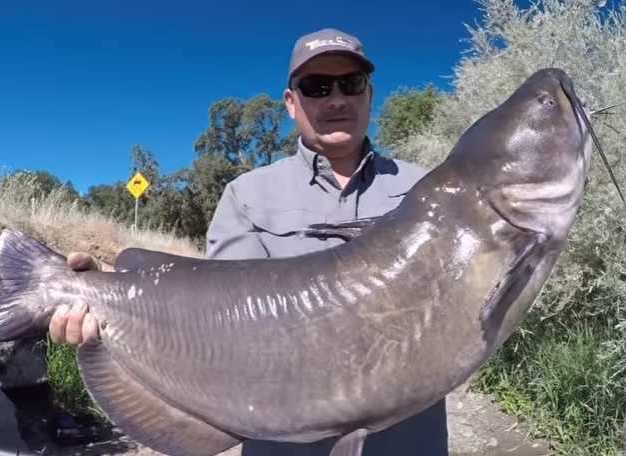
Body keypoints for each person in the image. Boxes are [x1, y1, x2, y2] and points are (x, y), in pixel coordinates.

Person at [50, 28, 448, 455]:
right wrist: (107, 299)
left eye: (350, 84)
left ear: (369, 94)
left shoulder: (429, 190)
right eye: (317, 87)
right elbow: (218, 326)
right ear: (291, 103)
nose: (336, 99)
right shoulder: (247, 194)